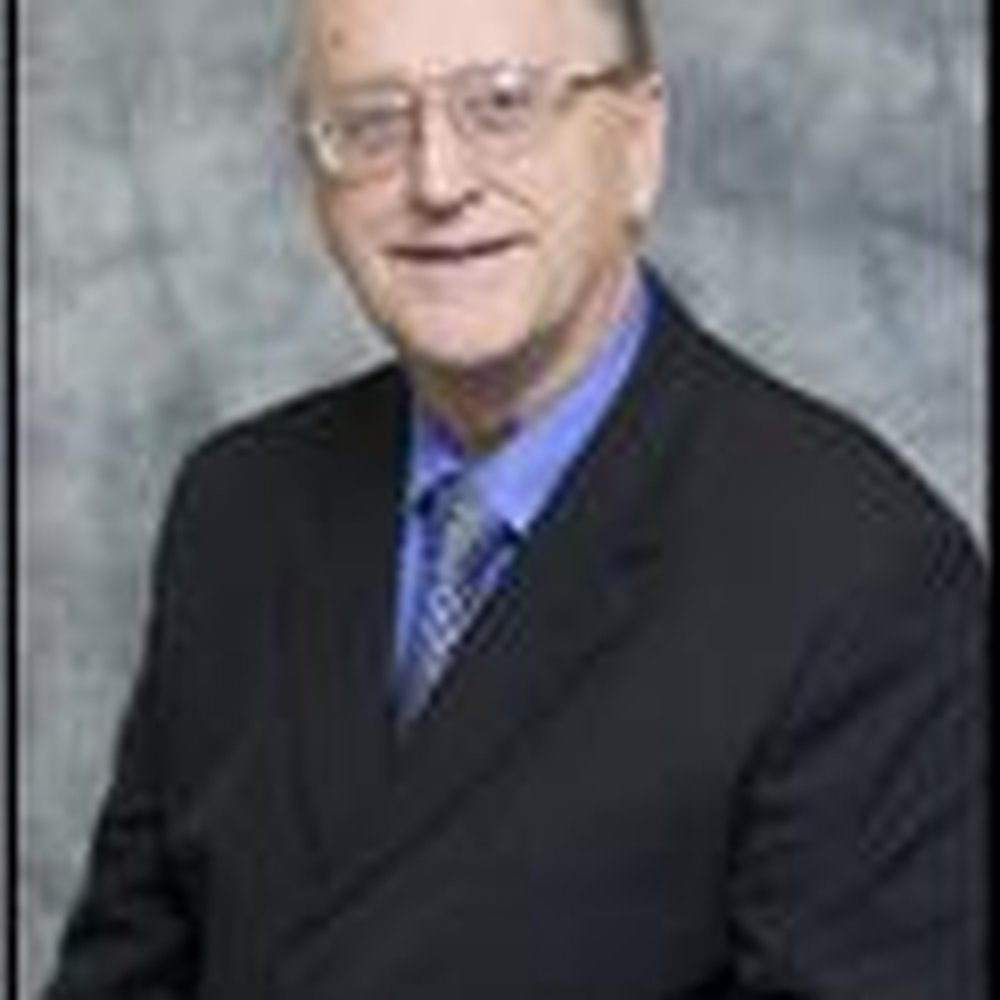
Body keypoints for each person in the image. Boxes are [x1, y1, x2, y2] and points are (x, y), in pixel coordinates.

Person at [45, 0, 986, 997]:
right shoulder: (236, 506)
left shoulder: (860, 580)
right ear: (317, 176)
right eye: (371, 121)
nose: (436, 181)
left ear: (636, 144)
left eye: (501, 104)